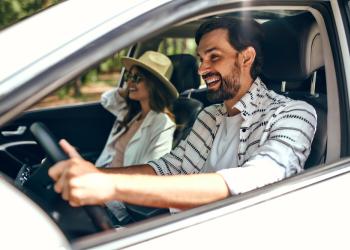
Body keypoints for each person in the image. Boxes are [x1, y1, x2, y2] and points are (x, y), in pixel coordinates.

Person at [48, 17, 317, 213]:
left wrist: (113, 187)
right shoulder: (211, 116)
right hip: (181, 225)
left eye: (214, 57)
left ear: (245, 58)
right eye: (201, 59)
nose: (202, 69)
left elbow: (255, 180)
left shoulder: (294, 114)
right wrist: (99, 176)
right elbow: (166, 169)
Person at [95, 51, 178, 222]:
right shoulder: (131, 112)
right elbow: (106, 99)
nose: (130, 82)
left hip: (116, 198)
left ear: (154, 84)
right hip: (100, 181)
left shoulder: (162, 123)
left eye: (137, 78)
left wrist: (104, 188)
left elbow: (154, 173)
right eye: (129, 76)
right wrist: (128, 88)